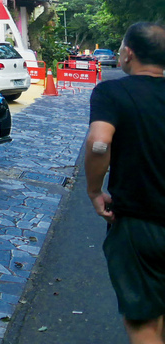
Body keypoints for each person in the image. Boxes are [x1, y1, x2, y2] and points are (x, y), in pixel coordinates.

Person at [85, 22, 165, 344]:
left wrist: (94, 190)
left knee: (143, 321)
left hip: (138, 222)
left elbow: (98, 143)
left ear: (129, 54)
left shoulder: (112, 92)